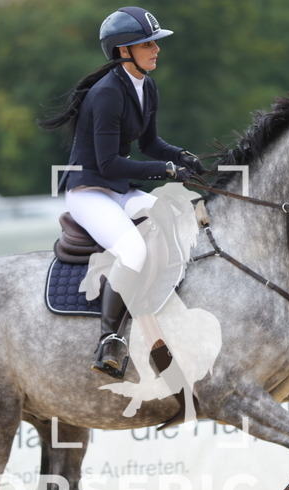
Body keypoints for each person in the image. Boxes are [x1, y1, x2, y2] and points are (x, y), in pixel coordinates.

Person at [39, 6, 204, 379]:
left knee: (178, 218)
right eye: (147, 44)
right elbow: (109, 163)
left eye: (155, 43)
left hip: (117, 188)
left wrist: (180, 156)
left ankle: (163, 315)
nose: (156, 49)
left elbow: (149, 143)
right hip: (89, 191)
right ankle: (110, 339)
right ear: (123, 51)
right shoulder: (107, 94)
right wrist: (165, 170)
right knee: (132, 249)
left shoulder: (146, 85)